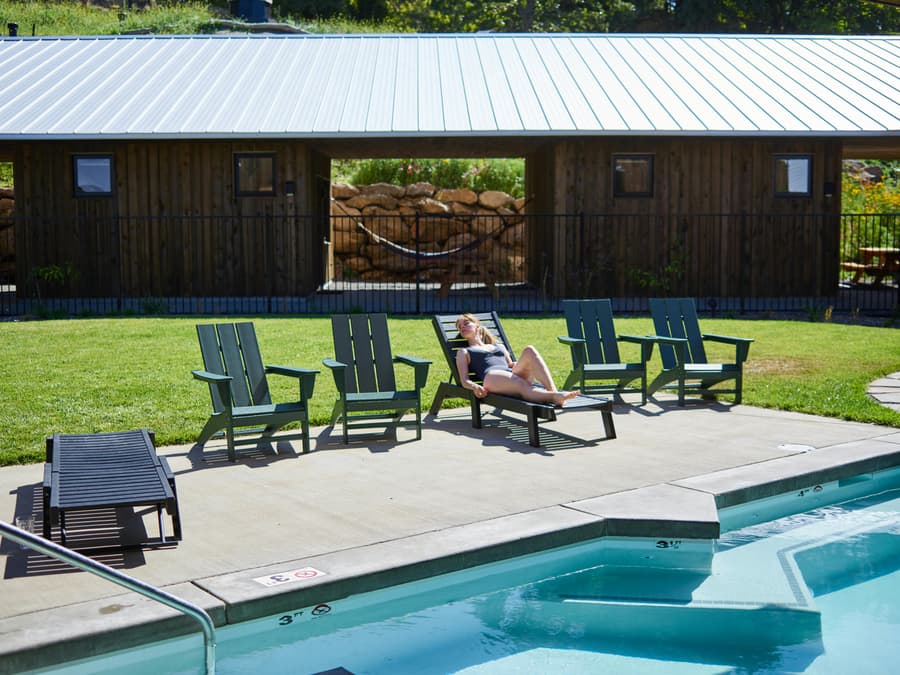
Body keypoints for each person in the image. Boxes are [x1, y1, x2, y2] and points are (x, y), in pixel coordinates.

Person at [455, 313, 578, 406]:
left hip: (509, 373)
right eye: (460, 327)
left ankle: (553, 391)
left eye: (466, 323)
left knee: (530, 350)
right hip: (491, 377)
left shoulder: (498, 346)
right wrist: (475, 387)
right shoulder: (464, 352)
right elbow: (464, 380)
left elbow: (510, 365)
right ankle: (554, 397)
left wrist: (514, 364)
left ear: (477, 326)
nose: (462, 327)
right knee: (521, 384)